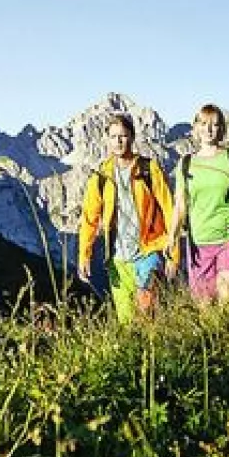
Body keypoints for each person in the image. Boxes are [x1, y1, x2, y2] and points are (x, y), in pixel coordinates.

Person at [77, 114, 176, 325]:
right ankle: (140, 357)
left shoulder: (149, 169)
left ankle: (154, 353)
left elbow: (169, 210)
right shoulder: (101, 177)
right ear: (107, 140)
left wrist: (173, 254)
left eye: (123, 135)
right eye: (113, 136)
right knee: (127, 322)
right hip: (117, 260)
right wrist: (84, 256)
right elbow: (89, 219)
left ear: (132, 137)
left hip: (149, 251)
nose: (118, 141)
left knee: (147, 310)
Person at [168, 104, 229, 305]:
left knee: (226, 299)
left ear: (222, 129)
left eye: (215, 124)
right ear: (196, 127)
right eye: (204, 124)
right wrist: (172, 238)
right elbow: (180, 205)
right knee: (205, 307)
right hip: (199, 242)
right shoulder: (185, 164)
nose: (209, 129)